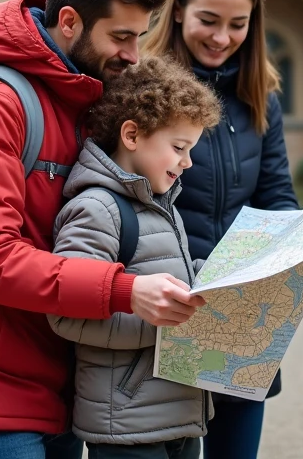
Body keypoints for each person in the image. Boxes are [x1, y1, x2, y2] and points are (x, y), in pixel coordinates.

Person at [0, 0, 208, 459]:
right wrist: (125, 290)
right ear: (70, 21)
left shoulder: (82, 95)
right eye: (121, 36)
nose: (132, 55)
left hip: (63, 384)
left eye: (140, 37)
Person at [142, 0, 299, 458]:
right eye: (208, 20)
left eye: (238, 25)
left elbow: (276, 194)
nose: (221, 37)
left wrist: (298, 248)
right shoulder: (144, 89)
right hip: (166, 306)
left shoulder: (261, 97)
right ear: (180, 8)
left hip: (241, 312)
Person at [48, 57, 222, 459]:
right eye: (179, 147)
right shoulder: (96, 208)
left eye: (191, 149)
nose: (188, 162)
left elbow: (165, 277)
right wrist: (168, 321)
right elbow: (66, 313)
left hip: (178, 414)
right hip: (126, 422)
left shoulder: (163, 205)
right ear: (132, 134)